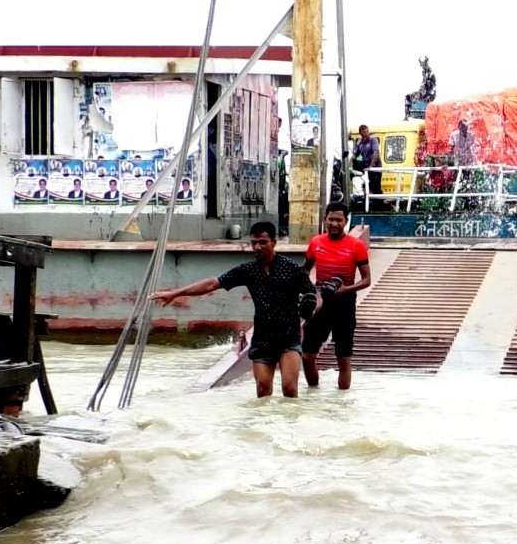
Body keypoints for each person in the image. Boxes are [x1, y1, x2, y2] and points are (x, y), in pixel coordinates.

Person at [151, 222, 313, 398]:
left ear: (273, 242)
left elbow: (313, 293)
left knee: (289, 389)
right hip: (263, 339)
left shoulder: (291, 268)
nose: (257, 247)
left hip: (288, 337)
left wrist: (310, 307)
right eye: (254, 243)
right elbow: (213, 283)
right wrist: (175, 293)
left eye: (262, 242)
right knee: (263, 391)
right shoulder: (248, 270)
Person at [302, 204, 371, 390]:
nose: (334, 223)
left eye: (339, 220)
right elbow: (304, 271)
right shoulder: (316, 242)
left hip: (345, 304)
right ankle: (312, 395)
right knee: (307, 355)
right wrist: (311, 292)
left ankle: (342, 401)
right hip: (321, 302)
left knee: (343, 357)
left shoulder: (357, 246)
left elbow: (366, 280)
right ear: (325, 220)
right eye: (331, 219)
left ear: (346, 222)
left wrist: (346, 289)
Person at [353, 124, 382, 199]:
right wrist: (351, 161)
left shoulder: (373, 140)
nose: (366, 133)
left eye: (367, 131)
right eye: (364, 132)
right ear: (360, 133)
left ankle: (378, 202)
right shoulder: (360, 142)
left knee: (375, 187)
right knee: (367, 185)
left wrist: (370, 166)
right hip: (366, 165)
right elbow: (355, 154)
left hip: (375, 167)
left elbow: (376, 153)